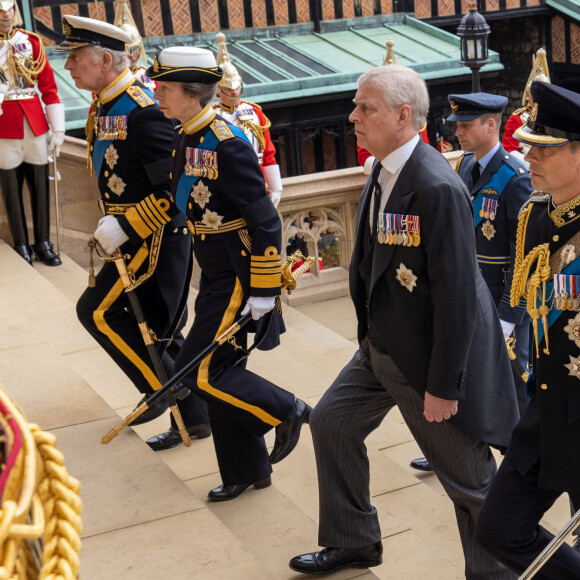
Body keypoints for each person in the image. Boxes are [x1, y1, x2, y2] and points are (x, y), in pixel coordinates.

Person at [289, 65, 519, 578]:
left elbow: (460, 297)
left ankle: (498, 573)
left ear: (403, 115)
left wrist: (443, 386)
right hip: (382, 347)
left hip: (425, 361)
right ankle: (353, 540)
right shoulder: (384, 169)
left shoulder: (436, 185)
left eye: (364, 108)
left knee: (470, 485)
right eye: (356, 106)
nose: (352, 117)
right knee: (331, 423)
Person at [141, 46, 311, 499]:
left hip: (237, 276)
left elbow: (265, 219)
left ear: (192, 94)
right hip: (215, 272)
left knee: (198, 372)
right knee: (224, 366)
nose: (157, 92)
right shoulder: (185, 132)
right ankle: (245, 470)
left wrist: (262, 288)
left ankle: (287, 409)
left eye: (166, 87)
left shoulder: (227, 142)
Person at [56, 15, 210, 435]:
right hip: (132, 239)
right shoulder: (106, 102)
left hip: (156, 240)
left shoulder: (142, 111)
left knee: (98, 312)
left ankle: (160, 390)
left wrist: (128, 226)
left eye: (75, 57)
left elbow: (176, 188)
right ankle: (194, 420)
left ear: (105, 59)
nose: (68, 67)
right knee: (161, 333)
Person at [475, 81, 580, 578]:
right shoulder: (535, 215)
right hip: (546, 411)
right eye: (528, 146)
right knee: (497, 528)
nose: (529, 156)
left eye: (545, 149)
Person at [410, 93, 533, 473]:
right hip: (467, 295)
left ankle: (528, 458)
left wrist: (510, 314)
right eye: (458, 125)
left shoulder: (514, 177)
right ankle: (452, 447)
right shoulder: (464, 166)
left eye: (465, 125)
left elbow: (524, 253)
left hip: (500, 300)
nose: (458, 132)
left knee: (513, 383)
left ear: (490, 125)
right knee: (458, 372)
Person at [0, 0, 64, 266]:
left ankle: (44, 243)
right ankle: (21, 243)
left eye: (10, 8)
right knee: (11, 190)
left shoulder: (32, 42)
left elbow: (48, 87)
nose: (6, 14)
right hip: (4, 124)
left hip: (34, 121)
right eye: (0, 9)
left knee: (40, 186)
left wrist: (58, 128)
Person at [213, 32, 283, 208]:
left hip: (257, 185)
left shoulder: (255, 113)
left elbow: (267, 154)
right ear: (218, 90)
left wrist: (276, 188)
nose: (235, 93)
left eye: (237, 88)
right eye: (229, 89)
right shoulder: (212, 116)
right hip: (225, 187)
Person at [502, 48, 550, 163]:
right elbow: (508, 150)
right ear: (528, 95)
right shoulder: (517, 118)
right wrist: (527, 164)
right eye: (536, 96)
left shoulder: (553, 117)